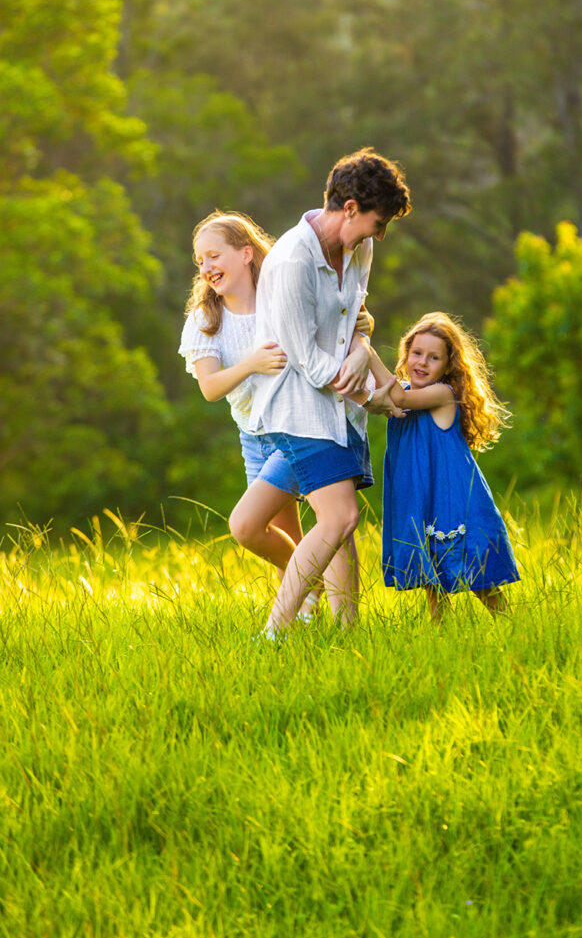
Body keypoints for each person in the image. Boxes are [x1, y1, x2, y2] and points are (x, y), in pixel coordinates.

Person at [248, 147, 412, 637]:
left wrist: (363, 349)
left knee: (340, 528)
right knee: (339, 518)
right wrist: (373, 396)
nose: (380, 235)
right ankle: (273, 632)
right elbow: (315, 366)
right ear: (349, 209)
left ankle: (347, 632)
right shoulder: (291, 263)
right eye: (378, 223)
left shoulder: (359, 248)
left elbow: (355, 322)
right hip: (298, 408)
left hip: (340, 411)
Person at [179, 211, 338, 613]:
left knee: (247, 526)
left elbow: (333, 317)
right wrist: (251, 363)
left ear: (246, 253)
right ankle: (306, 614)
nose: (207, 267)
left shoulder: (278, 298)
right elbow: (210, 388)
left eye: (214, 255)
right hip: (254, 438)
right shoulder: (205, 320)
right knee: (282, 541)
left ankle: (321, 602)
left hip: (296, 429)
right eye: (200, 261)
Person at [369, 311, 520, 621]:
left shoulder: (441, 395)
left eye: (434, 357)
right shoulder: (406, 394)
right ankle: (442, 633)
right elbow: (376, 398)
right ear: (406, 353)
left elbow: (396, 395)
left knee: (478, 574)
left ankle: (514, 626)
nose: (422, 362)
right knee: (431, 578)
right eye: (417, 353)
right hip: (420, 497)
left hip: (452, 497)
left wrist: (365, 350)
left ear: (449, 365)